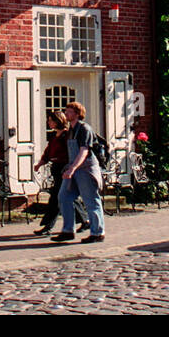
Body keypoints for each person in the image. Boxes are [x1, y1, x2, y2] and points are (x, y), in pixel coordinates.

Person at [53, 100, 105, 243]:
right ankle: (68, 230)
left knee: (90, 200)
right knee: (64, 197)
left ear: (77, 114)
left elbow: (84, 151)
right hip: (73, 168)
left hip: (86, 169)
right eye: (66, 110)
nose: (66, 113)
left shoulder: (84, 129)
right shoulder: (70, 130)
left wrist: (72, 168)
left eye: (69, 111)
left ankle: (97, 232)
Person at [34, 110, 87, 235]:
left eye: (51, 120)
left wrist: (71, 167)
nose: (48, 122)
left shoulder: (67, 135)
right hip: (56, 169)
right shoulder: (54, 137)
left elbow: (72, 152)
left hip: (64, 168)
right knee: (66, 196)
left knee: (57, 197)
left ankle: (48, 226)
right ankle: (85, 220)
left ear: (58, 120)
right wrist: (40, 164)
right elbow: (48, 153)